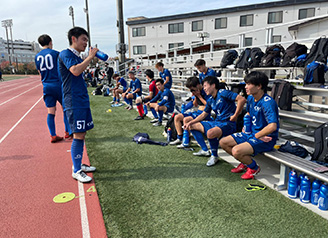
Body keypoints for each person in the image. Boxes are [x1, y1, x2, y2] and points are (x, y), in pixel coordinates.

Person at [219, 71, 279, 180]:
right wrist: (246, 126)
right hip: (251, 133)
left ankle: (254, 168)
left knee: (236, 151)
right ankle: (245, 163)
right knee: (223, 142)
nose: (245, 87)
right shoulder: (251, 98)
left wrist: (257, 135)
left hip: (266, 138)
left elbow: (272, 126)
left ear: (259, 86)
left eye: (248, 84)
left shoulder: (268, 102)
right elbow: (249, 113)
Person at [58, 27, 97, 183]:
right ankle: (76, 170)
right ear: (74, 39)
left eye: (87, 40)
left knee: (82, 133)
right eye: (84, 39)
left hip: (81, 98)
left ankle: (79, 163)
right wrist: (89, 57)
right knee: (78, 134)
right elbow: (75, 71)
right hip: (73, 100)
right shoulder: (66, 53)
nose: (86, 43)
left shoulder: (76, 55)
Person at [184, 76, 246, 167]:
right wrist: (190, 122)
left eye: (205, 86)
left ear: (213, 85)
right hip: (217, 122)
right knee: (191, 126)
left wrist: (235, 115)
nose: (204, 88)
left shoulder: (223, 92)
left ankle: (214, 156)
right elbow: (204, 114)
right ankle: (205, 150)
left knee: (210, 133)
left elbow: (241, 99)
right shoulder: (210, 100)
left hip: (228, 123)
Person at [34, 34, 71, 143]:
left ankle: (53, 135)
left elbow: (39, 72)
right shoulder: (56, 54)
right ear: (50, 42)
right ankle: (67, 132)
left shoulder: (37, 56)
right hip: (58, 85)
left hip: (46, 86)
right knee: (65, 109)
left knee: (51, 112)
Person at [169, 76, 211, 147]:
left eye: (192, 89)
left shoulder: (206, 90)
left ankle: (187, 141)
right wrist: (195, 96)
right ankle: (180, 138)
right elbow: (195, 104)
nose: (192, 91)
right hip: (197, 112)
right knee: (177, 117)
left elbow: (209, 105)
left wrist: (199, 96)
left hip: (204, 114)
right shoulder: (197, 91)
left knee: (187, 120)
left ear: (197, 85)